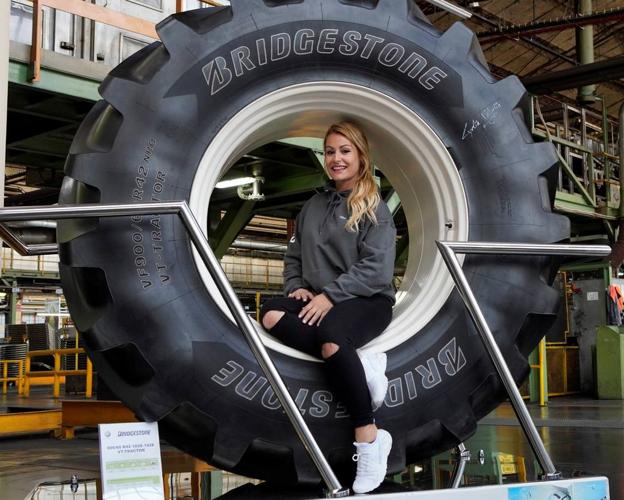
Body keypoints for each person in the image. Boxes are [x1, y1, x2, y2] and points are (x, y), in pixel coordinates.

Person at [260, 121, 396, 494]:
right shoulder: (314, 205)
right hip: (321, 299)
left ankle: (369, 438)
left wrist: (330, 295)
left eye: (345, 151)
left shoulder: (374, 207)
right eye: (330, 151)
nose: (336, 159)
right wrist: (298, 288)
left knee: (332, 338)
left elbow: (376, 269)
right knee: (271, 311)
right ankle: (359, 364)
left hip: (367, 299)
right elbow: (293, 255)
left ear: (361, 156)